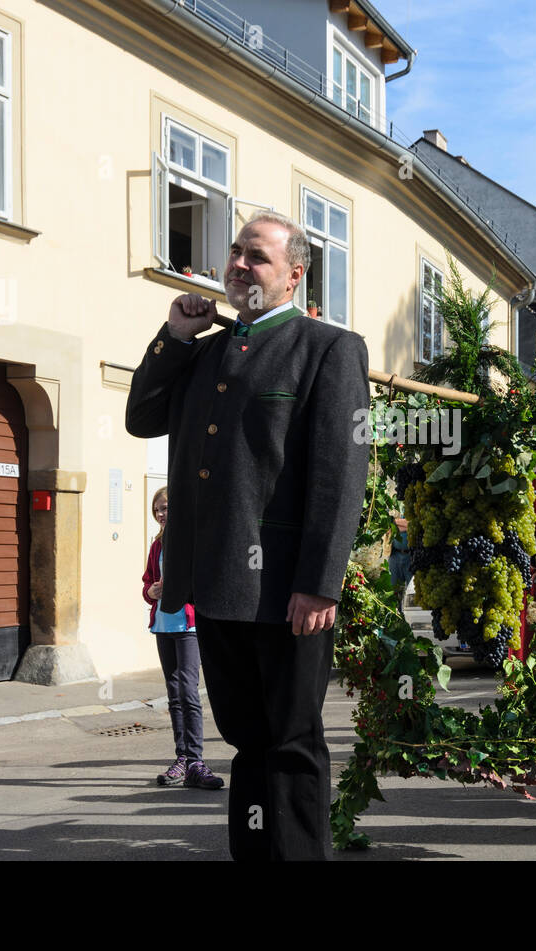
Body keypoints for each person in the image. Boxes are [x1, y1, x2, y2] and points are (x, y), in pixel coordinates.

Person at [126, 211, 371, 861]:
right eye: (234, 251)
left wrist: (320, 583)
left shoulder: (327, 348)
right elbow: (141, 415)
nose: (238, 263)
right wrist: (175, 334)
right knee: (246, 738)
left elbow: (339, 477)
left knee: (291, 740)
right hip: (217, 582)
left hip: (289, 590)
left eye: (255, 256)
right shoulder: (203, 351)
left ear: (293, 275)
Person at [143, 486, 223, 790]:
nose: (162, 514)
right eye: (157, 510)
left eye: (166, 508)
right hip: (163, 625)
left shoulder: (192, 541)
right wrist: (150, 592)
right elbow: (147, 583)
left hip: (188, 626)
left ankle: (196, 761)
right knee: (174, 693)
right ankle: (182, 759)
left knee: (189, 692)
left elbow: (206, 581)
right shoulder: (156, 546)